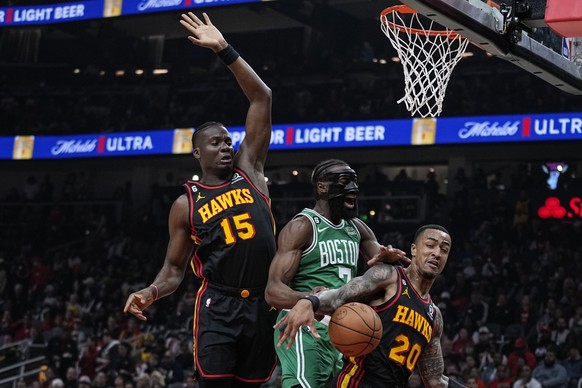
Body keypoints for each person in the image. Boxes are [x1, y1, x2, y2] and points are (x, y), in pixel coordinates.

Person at [124, 12, 277, 388]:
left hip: (263, 302)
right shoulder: (185, 204)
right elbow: (174, 270)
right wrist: (151, 291)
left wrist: (225, 50)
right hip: (219, 306)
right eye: (216, 142)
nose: (226, 146)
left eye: (228, 140)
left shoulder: (250, 171)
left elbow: (263, 96)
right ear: (197, 153)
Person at [265, 159, 409, 388]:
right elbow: (272, 290)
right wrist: (309, 300)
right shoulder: (303, 226)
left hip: (345, 328)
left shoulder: (357, 228)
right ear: (322, 187)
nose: (354, 188)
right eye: (345, 181)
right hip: (305, 325)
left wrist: (388, 261)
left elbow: (382, 274)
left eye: (355, 181)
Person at [275, 224, 465, 387]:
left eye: (444, 249)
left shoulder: (435, 317)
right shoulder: (389, 276)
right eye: (430, 245)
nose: (436, 253)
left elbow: (434, 380)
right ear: (414, 249)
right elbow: (339, 296)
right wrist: (310, 301)